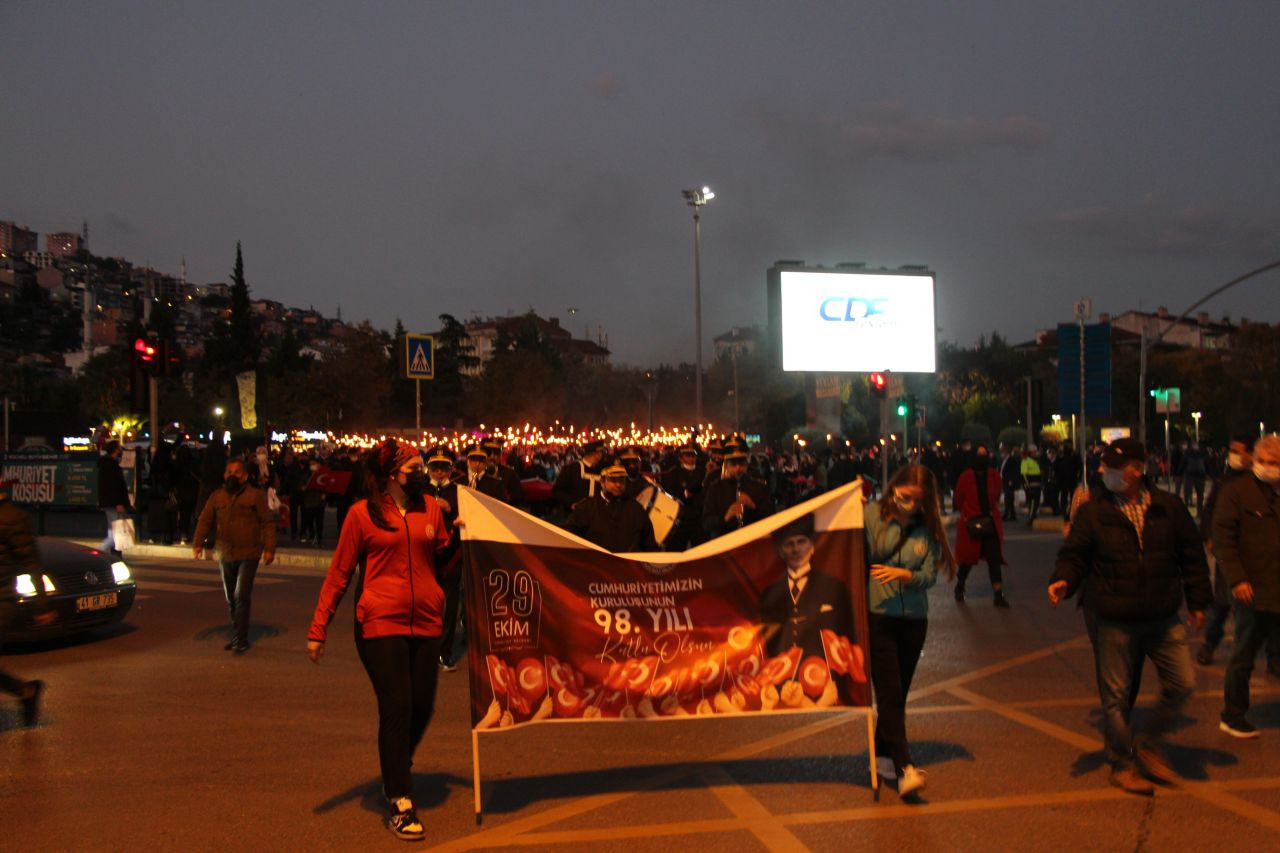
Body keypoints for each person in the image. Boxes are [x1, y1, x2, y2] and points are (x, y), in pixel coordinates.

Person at [307, 439, 452, 842]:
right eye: (412, 465)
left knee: (423, 705)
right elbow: (339, 574)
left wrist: (459, 538)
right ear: (391, 472)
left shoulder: (430, 511)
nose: (420, 471)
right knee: (398, 704)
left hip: (425, 621)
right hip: (378, 622)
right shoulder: (362, 515)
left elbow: (443, 560)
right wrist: (318, 628)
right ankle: (399, 800)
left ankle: (395, 761)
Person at [1049, 438, 1210, 796]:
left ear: (1137, 470)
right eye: (1104, 466)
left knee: (1182, 683)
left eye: (1114, 467)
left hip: (1161, 614)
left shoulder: (1169, 507)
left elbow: (1192, 557)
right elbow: (1074, 553)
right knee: (1116, 697)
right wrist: (1063, 580)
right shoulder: (1094, 511)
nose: (1104, 472)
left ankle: (1150, 743)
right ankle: (1122, 763)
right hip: (1114, 616)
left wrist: (1199, 601)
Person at [864, 464, 955, 797]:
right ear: (893, 489)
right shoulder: (871, 516)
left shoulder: (926, 527)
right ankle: (905, 770)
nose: (909, 505)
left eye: (916, 501)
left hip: (915, 621)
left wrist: (907, 577)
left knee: (897, 695)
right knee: (889, 693)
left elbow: (931, 574)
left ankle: (883, 752)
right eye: (904, 497)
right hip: (880, 616)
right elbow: (851, 552)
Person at [1212, 435, 1280, 738]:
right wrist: (1237, 579)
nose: (1267, 467)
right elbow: (1224, 541)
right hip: (1251, 590)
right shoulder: (1237, 493)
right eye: (1263, 461)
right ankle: (1233, 714)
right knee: (1244, 653)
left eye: (1274, 463)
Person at [192, 456, 277, 654]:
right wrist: (198, 544)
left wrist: (269, 549)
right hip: (224, 553)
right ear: (224, 475)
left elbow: (268, 523)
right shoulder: (217, 496)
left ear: (245, 476)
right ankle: (237, 632)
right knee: (231, 597)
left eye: (237, 472)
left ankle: (241, 638)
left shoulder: (255, 496)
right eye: (229, 472)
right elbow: (204, 521)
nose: (233, 475)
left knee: (241, 595)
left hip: (249, 552)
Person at [1197, 435, 1259, 665]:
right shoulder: (1225, 481)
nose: (1232, 455)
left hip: (1256, 555)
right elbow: (1209, 510)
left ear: (1251, 455)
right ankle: (1210, 644)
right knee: (1222, 602)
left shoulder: (1261, 482)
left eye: (1236, 450)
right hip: (1229, 554)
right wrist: (1208, 536)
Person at [760, 512, 854, 659]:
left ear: (812, 547)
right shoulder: (769, 594)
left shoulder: (835, 587)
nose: (796, 549)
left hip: (826, 676)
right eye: (789, 544)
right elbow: (766, 641)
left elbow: (848, 637)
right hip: (780, 674)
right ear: (780, 552)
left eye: (801, 542)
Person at [0, 486, 54, 726]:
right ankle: (26, 692)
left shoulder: (12, 517)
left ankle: (25, 692)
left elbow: (32, 562)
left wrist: (41, 606)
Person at [423, 446, 464, 672]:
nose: (439, 472)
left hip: (452, 556)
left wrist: (451, 509)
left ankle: (444, 653)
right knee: (424, 606)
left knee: (449, 608)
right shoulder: (419, 490)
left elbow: (467, 516)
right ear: (428, 468)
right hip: (425, 556)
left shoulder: (459, 491)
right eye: (435, 467)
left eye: (444, 467)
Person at [952, 446, 1009, 607]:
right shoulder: (966, 476)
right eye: (980, 454)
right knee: (968, 560)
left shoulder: (994, 476)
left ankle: (998, 593)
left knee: (994, 558)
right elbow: (959, 498)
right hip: (971, 523)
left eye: (985, 454)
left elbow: (997, 495)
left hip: (989, 522)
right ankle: (960, 585)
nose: (983, 457)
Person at [565, 463, 658, 552]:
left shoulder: (636, 508)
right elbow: (569, 537)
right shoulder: (586, 507)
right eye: (613, 480)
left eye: (621, 480)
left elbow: (649, 544)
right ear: (602, 482)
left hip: (627, 565)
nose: (618, 484)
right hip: (597, 564)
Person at [702, 441, 775, 539]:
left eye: (741, 463)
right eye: (733, 464)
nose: (738, 468)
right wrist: (725, 518)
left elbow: (771, 515)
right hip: (724, 541)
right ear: (726, 465)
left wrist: (754, 506)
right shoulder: (715, 488)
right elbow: (706, 523)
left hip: (752, 539)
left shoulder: (759, 486)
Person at [659, 440, 706, 551]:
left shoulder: (703, 471)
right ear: (681, 457)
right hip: (680, 518)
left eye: (693, 455)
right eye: (687, 455)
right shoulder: (673, 473)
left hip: (697, 517)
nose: (691, 458)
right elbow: (669, 494)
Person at [550, 438, 606, 515]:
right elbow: (557, 491)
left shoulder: (602, 470)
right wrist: (572, 502)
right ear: (595, 454)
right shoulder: (571, 468)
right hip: (574, 515)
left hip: (596, 515)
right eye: (601, 452)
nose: (602, 455)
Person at [96, 440, 132, 556]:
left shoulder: (108, 463)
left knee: (114, 530)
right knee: (115, 532)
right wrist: (118, 503)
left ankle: (114, 556)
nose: (121, 450)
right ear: (115, 450)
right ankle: (99, 554)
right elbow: (112, 485)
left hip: (111, 503)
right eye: (119, 448)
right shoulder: (110, 464)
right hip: (114, 504)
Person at [1020, 445, 1043, 524]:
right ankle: (1031, 518)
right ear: (1030, 452)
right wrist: (1027, 486)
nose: (1036, 453)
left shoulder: (1035, 461)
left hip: (1037, 485)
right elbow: (1024, 475)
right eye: (1034, 451)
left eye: (1036, 451)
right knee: (1032, 503)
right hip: (1031, 486)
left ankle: (1033, 516)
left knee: (1035, 503)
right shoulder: (1026, 461)